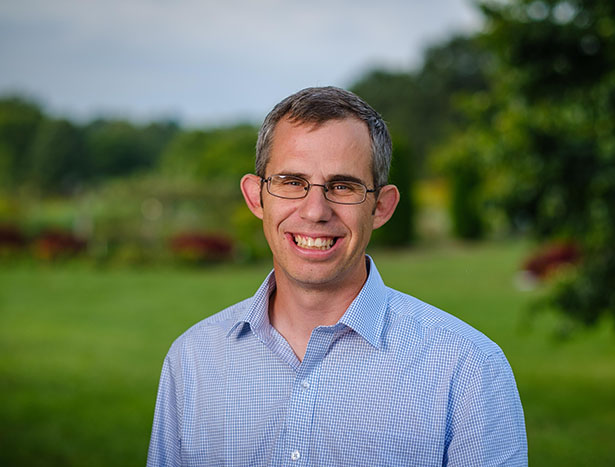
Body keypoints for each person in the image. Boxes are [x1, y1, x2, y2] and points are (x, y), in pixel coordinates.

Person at [147, 86, 527, 466]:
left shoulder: (468, 369)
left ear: (381, 206)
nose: (315, 211)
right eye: (292, 182)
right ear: (255, 197)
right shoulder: (192, 360)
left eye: (343, 186)